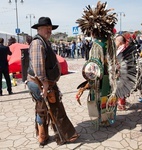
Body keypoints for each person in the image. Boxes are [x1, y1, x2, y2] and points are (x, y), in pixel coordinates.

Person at [25, 17, 79, 147]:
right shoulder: (38, 43)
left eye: (50, 28)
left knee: (43, 107)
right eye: (46, 28)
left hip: (44, 82)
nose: (49, 30)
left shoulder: (45, 41)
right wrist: (44, 84)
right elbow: (38, 67)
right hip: (39, 82)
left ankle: (43, 136)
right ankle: (48, 136)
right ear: (39, 29)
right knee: (46, 108)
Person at [76, 1, 118, 127]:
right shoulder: (110, 41)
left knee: (99, 97)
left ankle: (101, 119)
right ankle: (108, 118)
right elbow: (113, 60)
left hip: (99, 79)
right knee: (108, 94)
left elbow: (93, 68)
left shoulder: (96, 45)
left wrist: (88, 82)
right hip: (109, 76)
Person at [115, 35, 127, 110]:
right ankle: (120, 103)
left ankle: (121, 104)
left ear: (119, 41)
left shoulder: (123, 48)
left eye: (116, 40)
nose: (115, 42)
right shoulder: (120, 48)